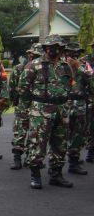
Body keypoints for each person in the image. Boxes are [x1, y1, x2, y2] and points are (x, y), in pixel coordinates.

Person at [18, 35, 73, 189]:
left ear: (61, 48)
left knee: (60, 143)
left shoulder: (65, 66)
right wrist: (35, 104)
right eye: (50, 46)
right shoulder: (34, 65)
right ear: (45, 48)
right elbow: (23, 88)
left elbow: (68, 85)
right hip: (41, 110)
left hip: (61, 110)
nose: (53, 49)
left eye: (56, 46)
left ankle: (56, 174)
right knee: (38, 143)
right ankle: (35, 175)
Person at [8, 44, 42, 170]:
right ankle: (17, 158)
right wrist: (15, 101)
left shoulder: (43, 68)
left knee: (35, 133)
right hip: (23, 104)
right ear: (29, 54)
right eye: (33, 55)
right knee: (20, 131)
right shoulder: (19, 68)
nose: (34, 57)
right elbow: (12, 87)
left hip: (38, 105)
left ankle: (29, 157)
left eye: (38, 55)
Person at [64, 41, 91, 175]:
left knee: (78, 135)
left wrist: (79, 67)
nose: (73, 55)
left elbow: (91, 81)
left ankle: (74, 162)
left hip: (79, 104)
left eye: (76, 53)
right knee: (61, 134)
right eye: (70, 52)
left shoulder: (83, 66)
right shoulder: (59, 66)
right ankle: (56, 166)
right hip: (64, 105)